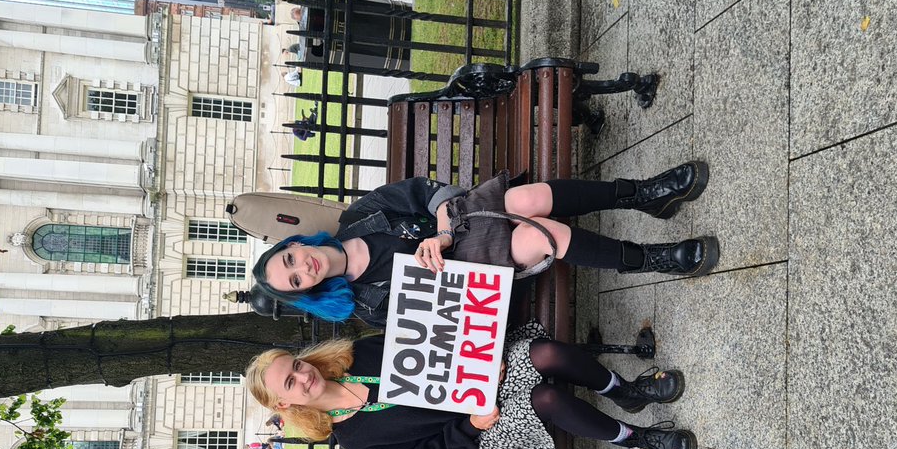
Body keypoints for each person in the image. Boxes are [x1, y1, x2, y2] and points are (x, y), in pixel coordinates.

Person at [250, 163, 717, 326]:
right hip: (474, 267)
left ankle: (643, 194)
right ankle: (649, 258)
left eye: (290, 258)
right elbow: (446, 318)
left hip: (462, 223)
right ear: (305, 293)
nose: (303, 267)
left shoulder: (359, 217)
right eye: (295, 281)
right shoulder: (365, 306)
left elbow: (425, 191)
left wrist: (441, 231)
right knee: (538, 233)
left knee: (527, 197)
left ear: (294, 243)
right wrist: (438, 273)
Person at [245, 325, 696, 449]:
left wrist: (479, 364)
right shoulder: (355, 439)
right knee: (544, 399)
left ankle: (625, 392)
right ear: (283, 406)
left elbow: (435, 339)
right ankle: (636, 439)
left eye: (296, 365)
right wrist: (473, 425)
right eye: (289, 383)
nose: (302, 377)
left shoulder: (359, 353)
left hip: (478, 378)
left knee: (546, 353)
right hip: (479, 428)